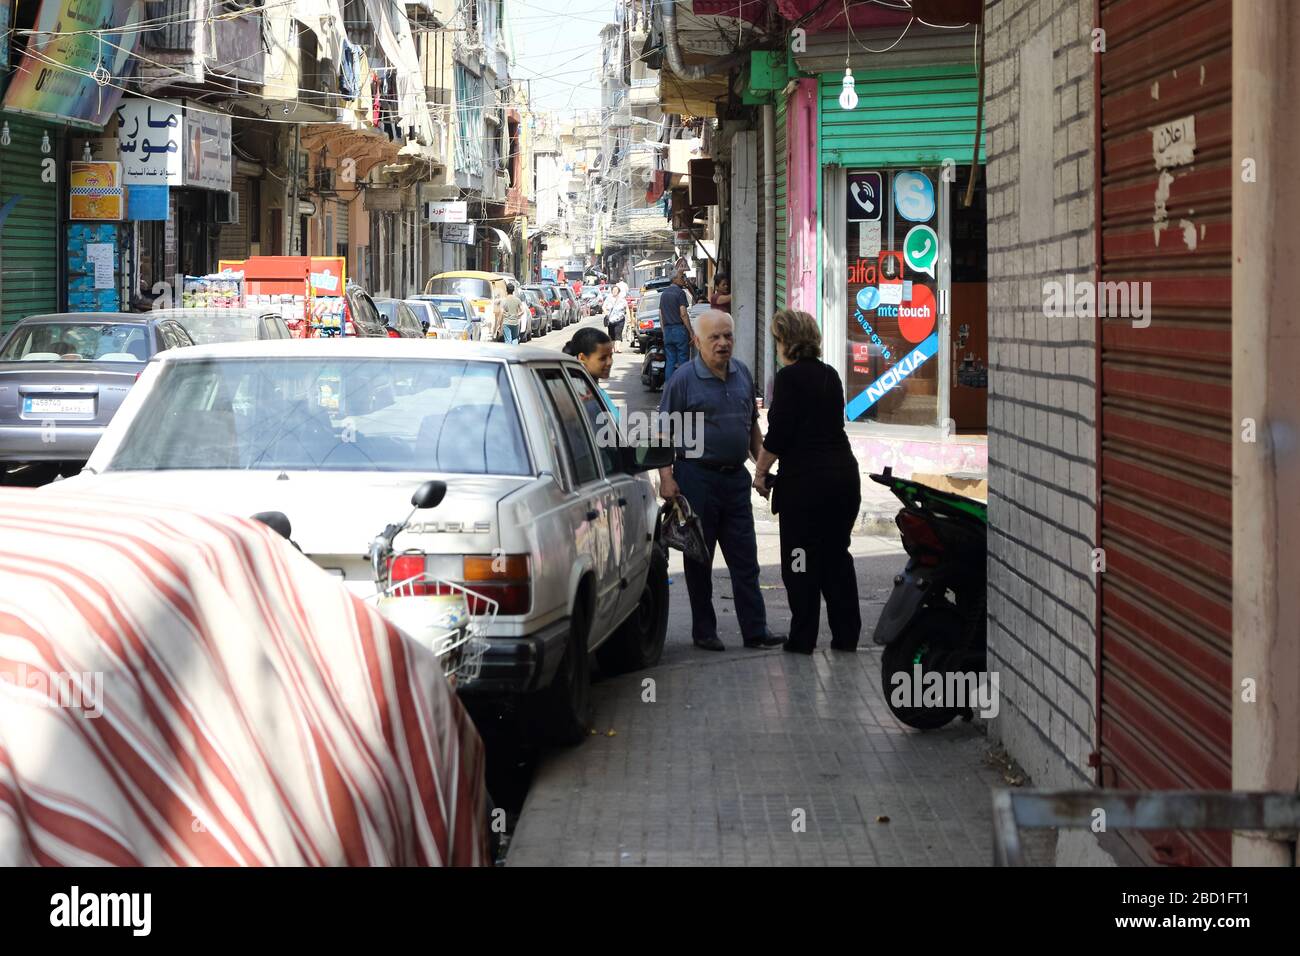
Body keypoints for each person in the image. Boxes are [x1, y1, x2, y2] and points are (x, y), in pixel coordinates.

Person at [658, 309, 785, 652]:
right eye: (714, 337)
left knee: (745, 559)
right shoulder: (683, 380)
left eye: (727, 336)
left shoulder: (742, 373)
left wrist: (761, 469)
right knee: (699, 560)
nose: (723, 343)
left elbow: (751, 427)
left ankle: (755, 631)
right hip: (696, 479)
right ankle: (704, 631)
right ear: (697, 341)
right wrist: (666, 478)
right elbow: (662, 433)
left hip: (735, 481)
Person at [754, 309, 862, 654]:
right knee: (836, 557)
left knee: (800, 559)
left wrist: (759, 473)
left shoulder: (788, 379)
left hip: (806, 487)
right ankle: (846, 637)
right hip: (844, 479)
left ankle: (803, 638)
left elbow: (780, 434)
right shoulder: (831, 375)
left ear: (785, 341)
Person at [563, 326, 618, 421]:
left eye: (610, 356)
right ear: (582, 358)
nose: (609, 362)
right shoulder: (581, 397)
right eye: (603, 358)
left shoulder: (595, 391)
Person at [659, 269, 693, 384]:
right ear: (674, 279)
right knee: (683, 360)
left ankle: (669, 388)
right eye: (681, 277)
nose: (683, 279)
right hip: (679, 330)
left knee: (670, 361)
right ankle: (682, 387)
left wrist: (664, 332)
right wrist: (691, 332)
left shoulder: (664, 294)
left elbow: (661, 314)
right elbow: (683, 314)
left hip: (668, 331)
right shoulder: (679, 293)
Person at [605, 282, 628, 351]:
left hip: (620, 319)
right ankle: (612, 347)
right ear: (611, 291)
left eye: (616, 290)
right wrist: (606, 314)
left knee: (618, 332)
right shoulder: (608, 299)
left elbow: (626, 308)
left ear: (618, 292)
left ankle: (617, 348)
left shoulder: (622, 299)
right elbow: (603, 307)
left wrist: (629, 318)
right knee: (611, 333)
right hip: (611, 319)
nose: (614, 292)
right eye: (613, 290)